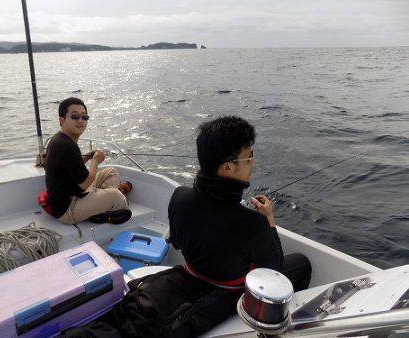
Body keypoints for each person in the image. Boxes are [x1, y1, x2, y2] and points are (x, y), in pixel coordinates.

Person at [62, 116, 311, 338]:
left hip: (186, 277)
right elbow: (274, 272)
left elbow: (179, 243)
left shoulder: (179, 196)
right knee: (301, 264)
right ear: (228, 167)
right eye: (249, 157)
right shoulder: (253, 223)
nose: (253, 163)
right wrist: (269, 221)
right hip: (222, 296)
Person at [44, 97, 132, 225]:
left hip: (74, 191)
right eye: (74, 116)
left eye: (84, 117)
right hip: (67, 208)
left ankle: (100, 206)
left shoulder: (60, 139)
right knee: (117, 196)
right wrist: (95, 161)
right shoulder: (66, 145)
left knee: (111, 172)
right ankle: (104, 208)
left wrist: (88, 157)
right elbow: (84, 184)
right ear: (62, 121)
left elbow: (70, 166)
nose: (80, 121)